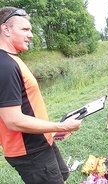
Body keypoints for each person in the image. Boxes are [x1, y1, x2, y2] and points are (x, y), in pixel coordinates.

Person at [0, 7, 82, 184]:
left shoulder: (12, 58)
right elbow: (12, 120)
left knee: (63, 175)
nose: (31, 35)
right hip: (30, 151)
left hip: (41, 140)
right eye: (25, 29)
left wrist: (53, 130)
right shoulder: (4, 65)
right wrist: (61, 126)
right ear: (5, 29)